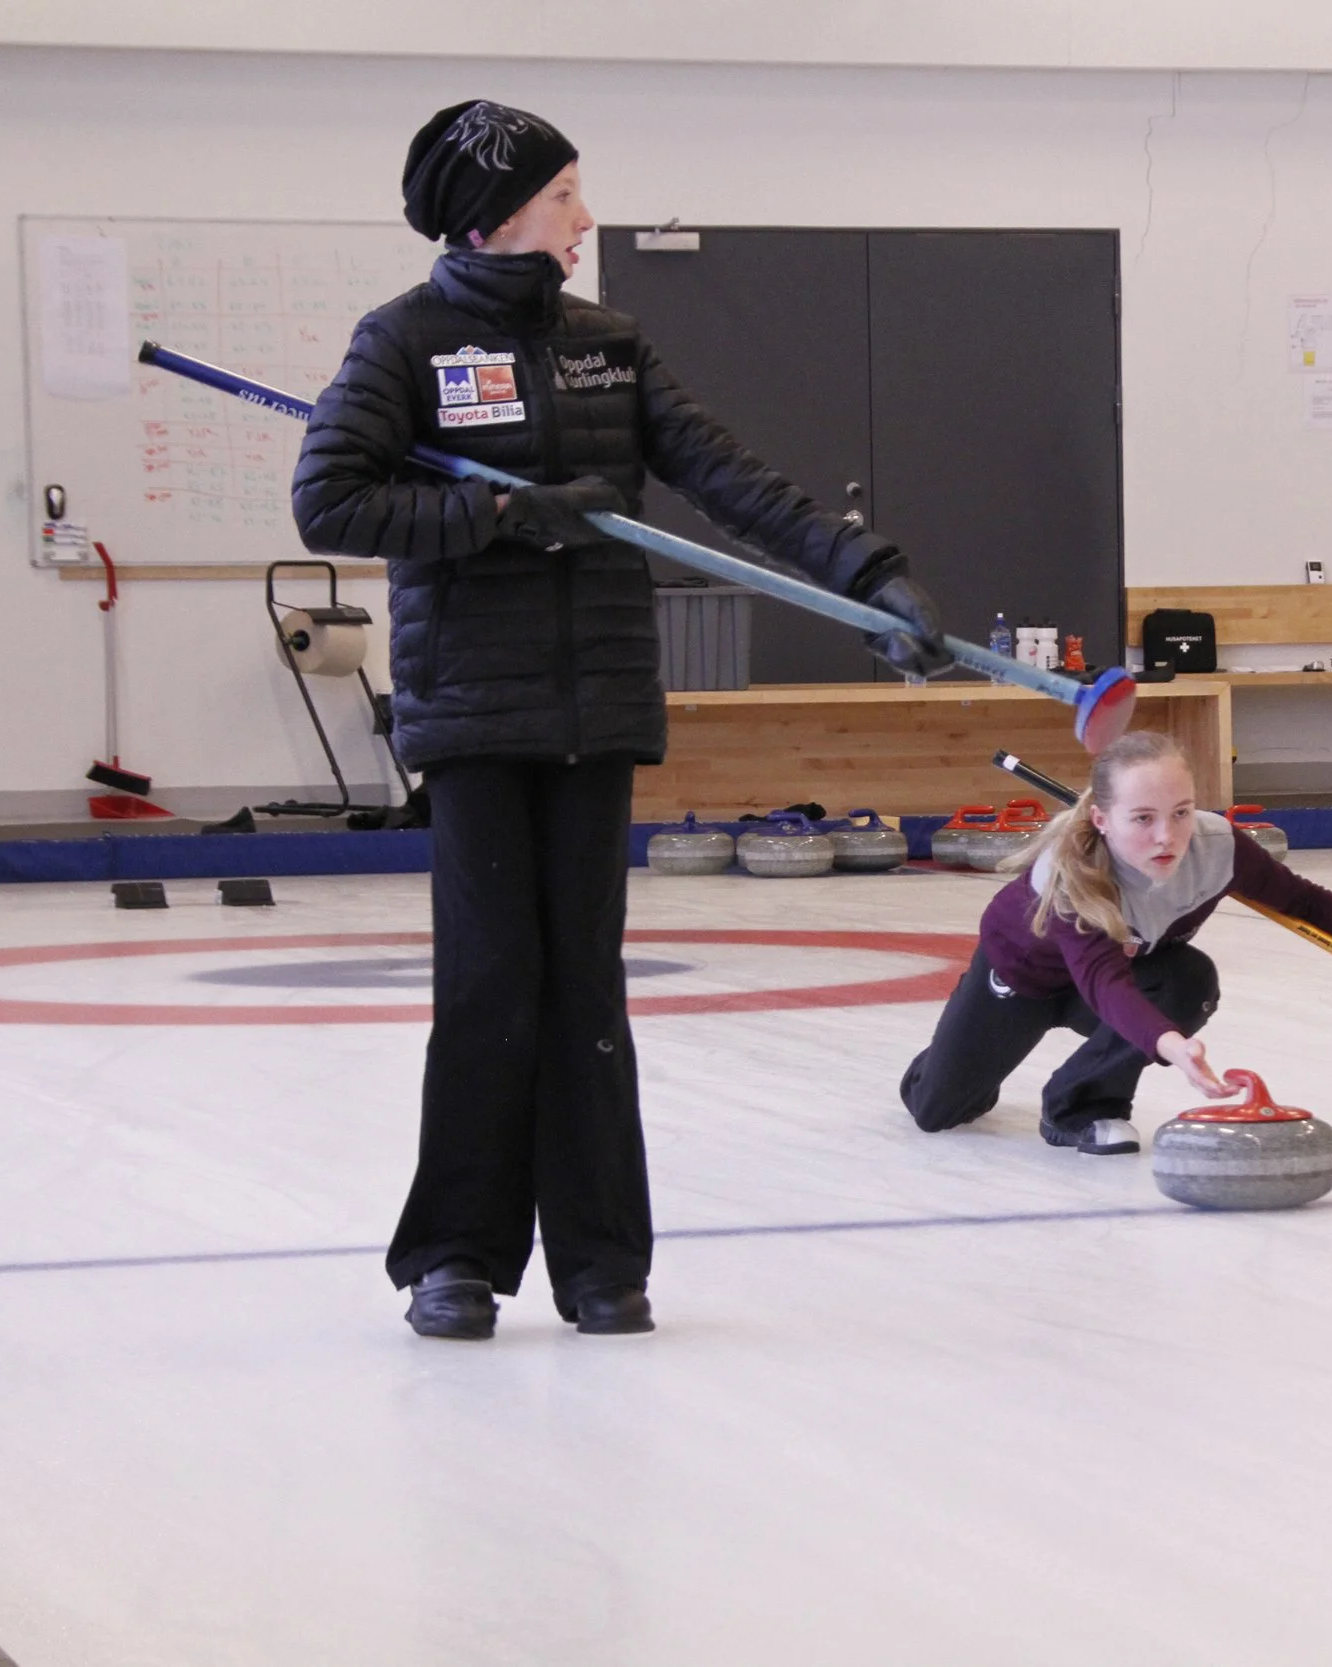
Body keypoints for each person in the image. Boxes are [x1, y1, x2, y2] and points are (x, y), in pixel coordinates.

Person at [292, 100, 952, 1339]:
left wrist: (868, 579)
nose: (585, 217)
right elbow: (330, 501)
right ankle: (456, 1255)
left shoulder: (608, 346)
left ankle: (601, 1258)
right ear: (493, 214)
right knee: (490, 983)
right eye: (563, 196)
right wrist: (503, 516)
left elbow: (733, 480)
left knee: (586, 991)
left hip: (595, 702)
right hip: (474, 712)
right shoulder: (404, 340)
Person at [899, 731, 1332, 1152]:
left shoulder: (1217, 846)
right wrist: (1169, 1044)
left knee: (1189, 979)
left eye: (1180, 812)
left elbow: (1309, 903)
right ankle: (954, 1056)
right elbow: (1102, 981)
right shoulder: (1072, 875)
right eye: (1143, 818)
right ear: (1102, 819)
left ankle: (1083, 1106)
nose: (1167, 836)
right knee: (940, 1111)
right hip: (1023, 981)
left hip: (1125, 975)